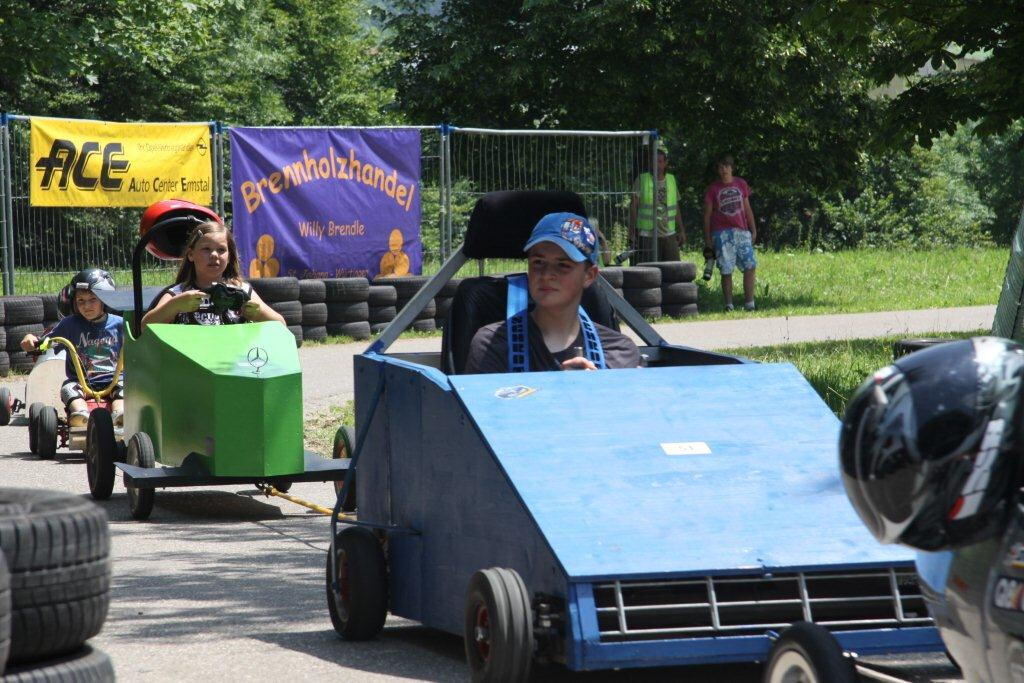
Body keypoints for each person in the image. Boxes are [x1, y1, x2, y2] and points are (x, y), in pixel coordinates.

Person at [464, 212, 640, 373]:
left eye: (563, 265)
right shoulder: (493, 345)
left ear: (589, 275)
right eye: (538, 262)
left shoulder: (619, 352)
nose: (547, 275)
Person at [20, 269, 124, 427]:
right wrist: (31, 341)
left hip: (114, 380)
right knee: (68, 390)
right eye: (80, 301)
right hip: (81, 383)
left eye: (92, 300)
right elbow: (47, 340)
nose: (86, 306)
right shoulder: (69, 324)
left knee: (126, 389)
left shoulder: (119, 324)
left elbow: (139, 342)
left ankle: (120, 416)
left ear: (104, 300)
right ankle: (81, 415)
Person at [142, 220, 285, 328]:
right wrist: (174, 306)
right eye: (206, 249)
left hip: (233, 363)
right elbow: (144, 327)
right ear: (191, 255)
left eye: (221, 250)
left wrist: (259, 313)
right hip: (188, 364)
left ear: (229, 257)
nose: (214, 255)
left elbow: (281, 324)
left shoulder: (242, 290)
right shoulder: (178, 293)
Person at [703, 154, 757, 312]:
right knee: (726, 269)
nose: (724, 169)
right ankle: (729, 305)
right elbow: (706, 215)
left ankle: (750, 303)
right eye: (721, 167)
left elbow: (747, 208)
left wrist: (753, 230)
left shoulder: (741, 184)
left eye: (726, 166)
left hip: (741, 231)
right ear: (718, 170)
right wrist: (708, 239)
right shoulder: (713, 189)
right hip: (721, 233)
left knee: (750, 265)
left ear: (732, 168)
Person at [630, 144, 686, 262]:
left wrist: (681, 229)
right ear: (650, 163)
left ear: (665, 163)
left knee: (673, 269)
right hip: (647, 234)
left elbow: (676, 207)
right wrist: (632, 231)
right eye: (654, 162)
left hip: (669, 233)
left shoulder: (671, 180)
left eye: (660, 161)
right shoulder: (641, 179)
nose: (657, 165)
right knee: (649, 271)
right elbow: (633, 207)